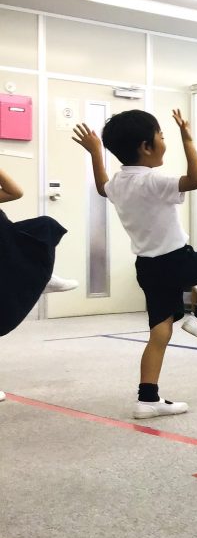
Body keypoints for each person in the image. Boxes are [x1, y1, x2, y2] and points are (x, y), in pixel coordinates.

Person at [73, 110, 197, 420]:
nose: (165, 143)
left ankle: (148, 398)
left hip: (148, 267)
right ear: (146, 146)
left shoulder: (119, 183)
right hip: (177, 261)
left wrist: (96, 152)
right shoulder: (154, 180)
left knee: (159, 332)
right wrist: (188, 139)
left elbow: (100, 186)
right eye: (162, 137)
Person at [0, 166, 78, 402]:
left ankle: (41, 277)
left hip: (8, 249)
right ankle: (39, 278)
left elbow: (16, 192)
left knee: (45, 225)